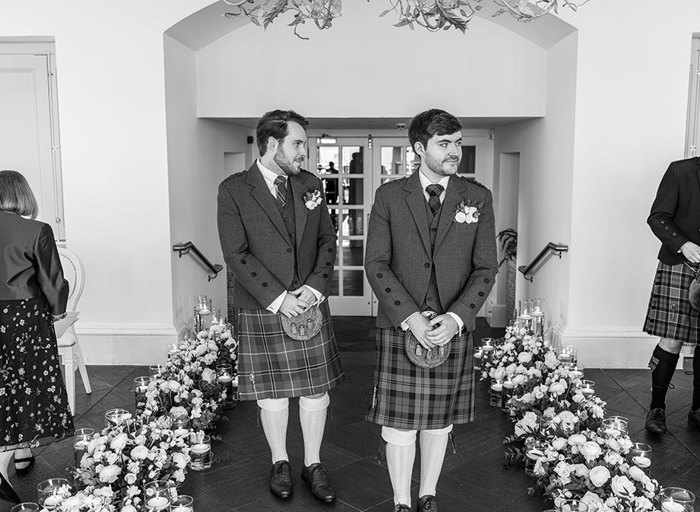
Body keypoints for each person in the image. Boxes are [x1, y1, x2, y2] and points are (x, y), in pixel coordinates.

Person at [364, 109, 497, 512]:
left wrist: (456, 318)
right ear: (420, 148)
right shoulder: (389, 195)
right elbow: (376, 263)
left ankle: (428, 495)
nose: (454, 151)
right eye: (444, 143)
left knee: (440, 421)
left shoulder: (477, 197)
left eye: (457, 142)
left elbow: (485, 268)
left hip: (451, 326)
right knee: (400, 425)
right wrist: (411, 317)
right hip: (401, 324)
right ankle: (402, 501)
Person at [217, 110, 344, 502]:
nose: (305, 151)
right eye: (298, 143)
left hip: (309, 301)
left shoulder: (310, 184)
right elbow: (236, 254)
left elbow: (327, 239)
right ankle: (280, 461)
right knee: (271, 394)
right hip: (263, 306)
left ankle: (313, 463)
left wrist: (314, 288)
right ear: (273, 145)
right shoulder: (234, 189)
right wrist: (278, 298)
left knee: (316, 392)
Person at [0, 170, 74, 504]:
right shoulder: (36, 230)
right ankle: (6, 462)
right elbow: (53, 284)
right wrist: (59, 311)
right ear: (23, 195)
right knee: (25, 385)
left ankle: (14, 455)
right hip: (22, 320)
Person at [643, 156, 700, 434]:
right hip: (682, 264)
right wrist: (683, 244)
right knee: (673, 339)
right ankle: (657, 408)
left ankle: (698, 408)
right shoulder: (681, 171)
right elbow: (657, 217)